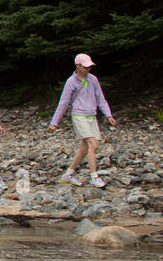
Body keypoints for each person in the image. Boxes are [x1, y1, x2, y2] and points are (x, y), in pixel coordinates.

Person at [49, 53, 116, 187]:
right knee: (93, 145)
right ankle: (94, 176)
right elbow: (64, 103)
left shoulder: (93, 79)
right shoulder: (71, 82)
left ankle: (68, 174)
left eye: (89, 66)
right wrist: (54, 123)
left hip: (91, 116)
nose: (88, 69)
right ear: (78, 66)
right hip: (79, 115)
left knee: (84, 148)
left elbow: (100, 98)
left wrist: (108, 115)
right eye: (85, 67)